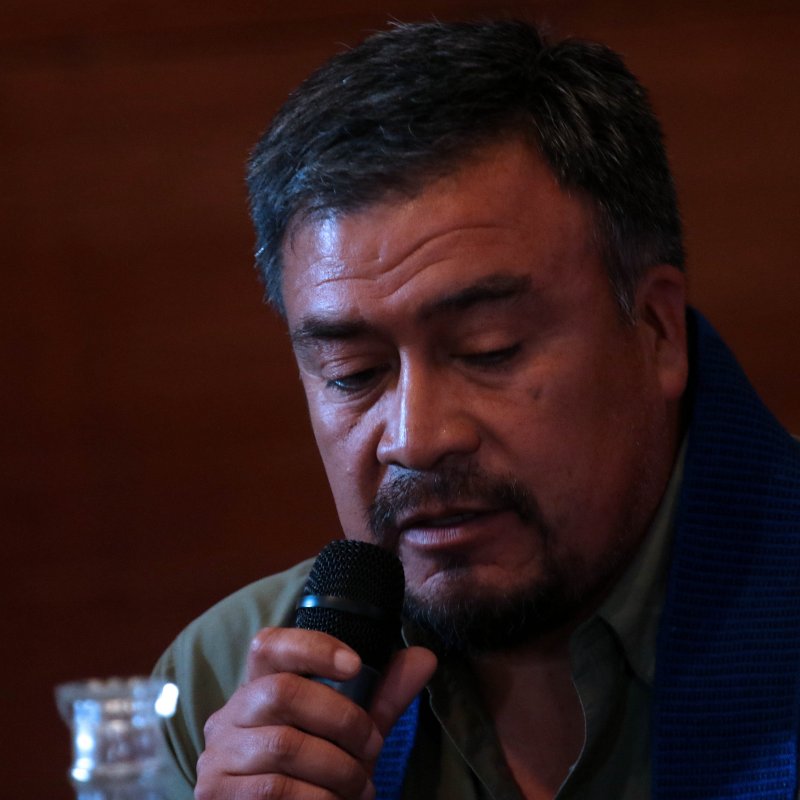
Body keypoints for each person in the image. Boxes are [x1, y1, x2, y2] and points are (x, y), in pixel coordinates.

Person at [153, 19, 800, 800]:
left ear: (657, 330)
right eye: (354, 374)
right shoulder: (230, 696)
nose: (416, 438)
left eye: (490, 350)